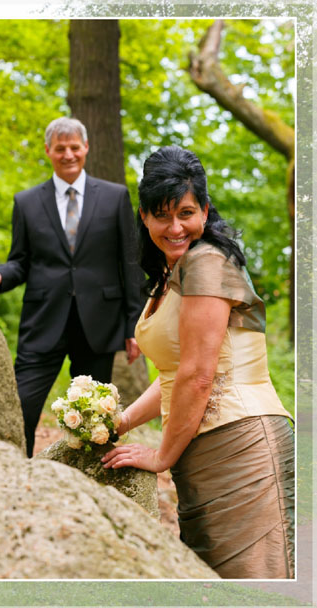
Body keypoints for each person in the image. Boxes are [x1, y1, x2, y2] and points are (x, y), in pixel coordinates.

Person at [102, 146, 293, 579]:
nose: (175, 227)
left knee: (252, 585)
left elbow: (199, 375)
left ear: (205, 210)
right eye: (162, 215)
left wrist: (161, 456)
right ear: (144, 216)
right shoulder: (173, 273)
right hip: (201, 445)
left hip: (241, 443)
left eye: (186, 213)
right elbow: (174, 373)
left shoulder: (206, 261)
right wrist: (118, 422)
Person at [0, 117, 143, 457]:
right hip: (43, 321)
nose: (68, 155)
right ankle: (16, 477)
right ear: (48, 151)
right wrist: (0, 274)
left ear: (86, 149)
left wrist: (132, 324)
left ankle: (91, 486)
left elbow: (130, 264)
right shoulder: (27, 202)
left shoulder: (115, 197)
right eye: (60, 148)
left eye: (74, 147)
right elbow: (20, 262)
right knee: (21, 407)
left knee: (95, 417)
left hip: (99, 323)